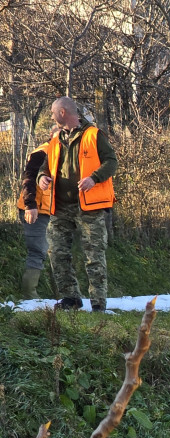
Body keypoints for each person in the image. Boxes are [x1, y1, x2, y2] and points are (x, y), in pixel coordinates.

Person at [38, 97, 118, 312]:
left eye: (53, 113)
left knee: (94, 256)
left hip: (89, 207)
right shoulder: (55, 140)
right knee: (57, 253)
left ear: (63, 112)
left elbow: (112, 162)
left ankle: (98, 303)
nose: (51, 117)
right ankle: (70, 299)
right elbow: (43, 168)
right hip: (60, 207)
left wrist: (94, 177)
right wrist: (41, 179)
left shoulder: (94, 135)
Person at [17, 127, 59, 299]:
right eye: (59, 135)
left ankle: (60, 295)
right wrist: (30, 205)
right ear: (51, 136)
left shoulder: (61, 153)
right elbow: (28, 180)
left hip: (52, 210)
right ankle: (29, 296)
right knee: (38, 250)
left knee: (57, 251)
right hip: (36, 210)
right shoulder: (41, 153)